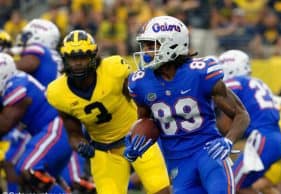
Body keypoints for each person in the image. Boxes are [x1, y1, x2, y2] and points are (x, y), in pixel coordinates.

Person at [124, 15, 250, 194]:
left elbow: (241, 114)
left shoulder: (199, 73)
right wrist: (136, 141)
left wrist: (228, 141)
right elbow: (146, 122)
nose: (145, 52)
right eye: (144, 46)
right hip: (178, 163)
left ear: (172, 44)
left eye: (152, 46)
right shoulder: (140, 83)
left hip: (208, 152)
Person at [46, 29, 171, 194]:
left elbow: (141, 100)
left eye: (82, 57)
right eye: (72, 58)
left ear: (93, 56)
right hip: (104, 151)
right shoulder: (57, 92)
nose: (77, 63)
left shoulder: (113, 69)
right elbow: (74, 134)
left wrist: (149, 125)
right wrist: (81, 145)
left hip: (138, 139)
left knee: (160, 190)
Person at [0, 52, 73, 193]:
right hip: (51, 131)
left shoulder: (16, 86)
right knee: (31, 178)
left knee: (29, 170)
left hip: (56, 128)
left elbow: (4, 124)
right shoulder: (15, 81)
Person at [218, 49, 281, 194]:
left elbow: (219, 103)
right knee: (245, 186)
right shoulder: (257, 82)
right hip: (276, 137)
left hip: (262, 139)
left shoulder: (235, 82)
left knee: (231, 186)